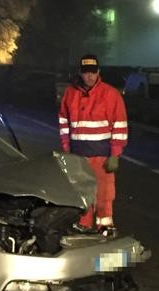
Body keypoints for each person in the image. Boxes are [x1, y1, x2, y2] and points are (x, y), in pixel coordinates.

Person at [58, 54, 128, 235]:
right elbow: (64, 123)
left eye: (93, 72)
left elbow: (120, 125)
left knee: (104, 197)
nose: (90, 76)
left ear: (99, 72)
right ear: (80, 73)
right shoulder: (70, 94)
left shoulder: (110, 94)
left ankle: (105, 231)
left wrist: (115, 154)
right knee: (82, 197)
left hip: (101, 157)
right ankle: (84, 231)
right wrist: (66, 149)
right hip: (78, 157)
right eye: (86, 73)